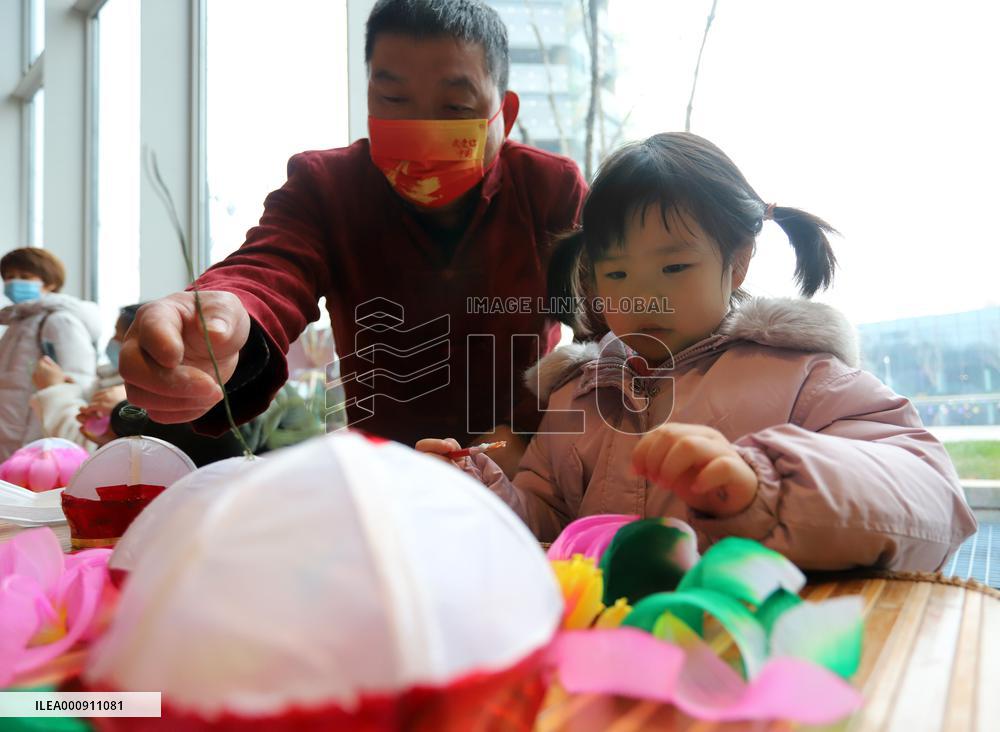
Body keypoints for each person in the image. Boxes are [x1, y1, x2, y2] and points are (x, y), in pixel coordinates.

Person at [417, 132, 976, 572]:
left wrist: (762, 488)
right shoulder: (577, 395)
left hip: (748, 652)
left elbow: (932, 498)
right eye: (617, 273)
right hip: (612, 657)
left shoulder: (800, 375)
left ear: (739, 261)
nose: (641, 295)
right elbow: (550, 525)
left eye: (674, 267)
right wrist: (484, 493)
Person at [117, 0, 587, 476]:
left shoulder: (550, 189)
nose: (421, 133)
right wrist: (225, 314)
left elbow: (609, 318)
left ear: (505, 111)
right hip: (384, 475)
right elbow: (272, 266)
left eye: (455, 108)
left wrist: (527, 434)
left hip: (525, 468)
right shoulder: (327, 186)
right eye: (394, 100)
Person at [0, 247, 100, 460]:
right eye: (9, 276)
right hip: (10, 430)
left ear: (50, 282)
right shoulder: (17, 322)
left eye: (25, 276)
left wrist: (53, 428)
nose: (14, 282)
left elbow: (79, 378)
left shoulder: (59, 320)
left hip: (36, 436)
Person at [30, 303, 141, 449]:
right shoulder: (110, 378)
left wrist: (54, 390)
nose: (112, 340)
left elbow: (86, 445)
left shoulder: (128, 400)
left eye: (118, 335)